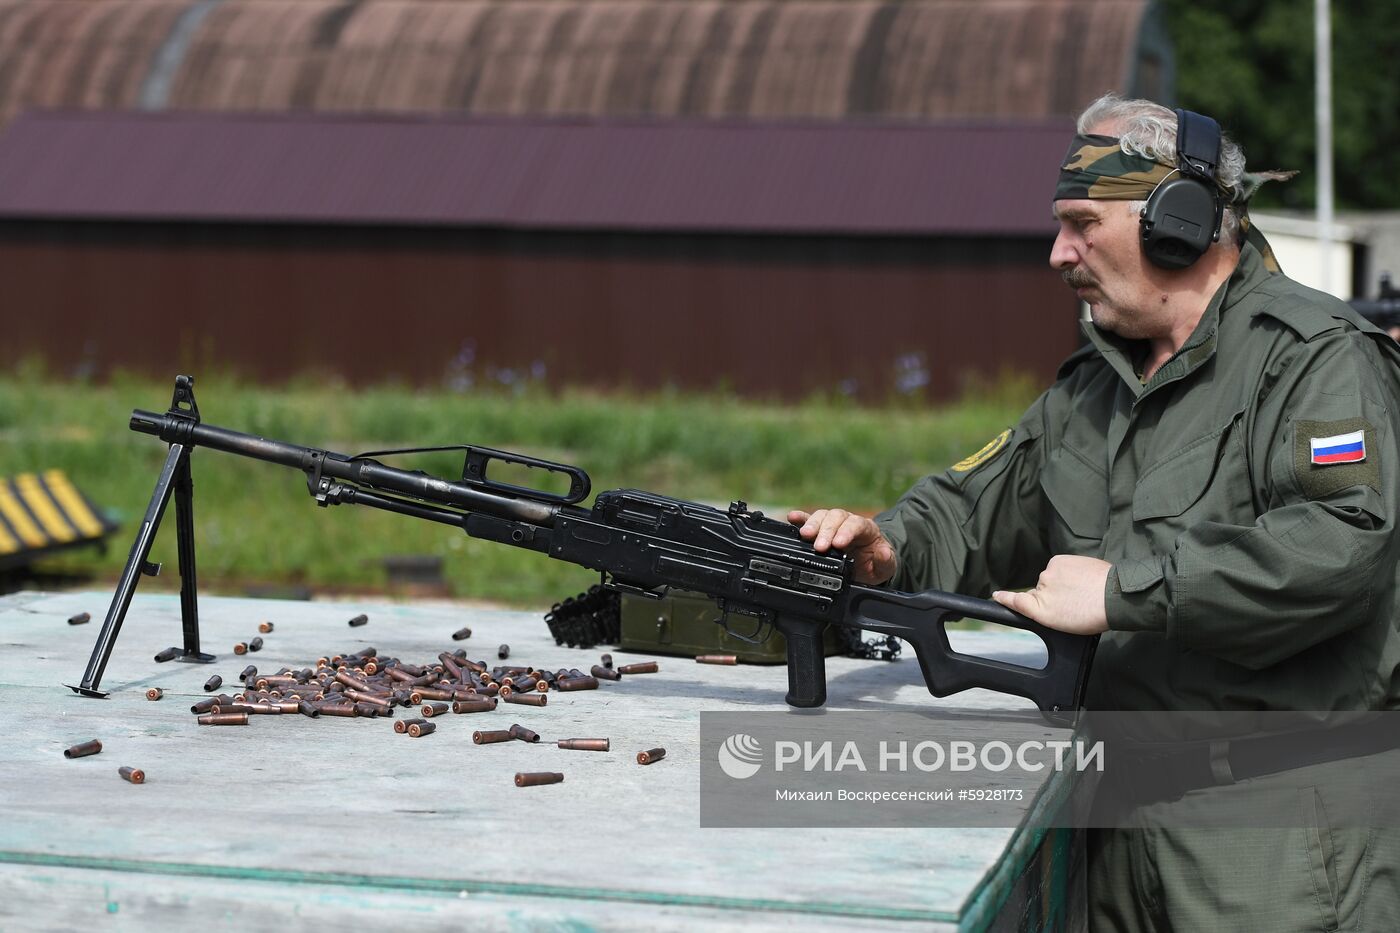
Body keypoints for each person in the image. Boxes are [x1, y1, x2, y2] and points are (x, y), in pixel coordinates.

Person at [790, 93, 1400, 930]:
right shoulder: (1094, 385)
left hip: (1278, 839)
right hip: (1113, 827)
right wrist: (884, 545)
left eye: (1082, 224)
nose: (1058, 253)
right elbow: (975, 504)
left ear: (1177, 222)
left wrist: (1122, 593)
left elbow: (1340, 545)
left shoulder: (1312, 359)